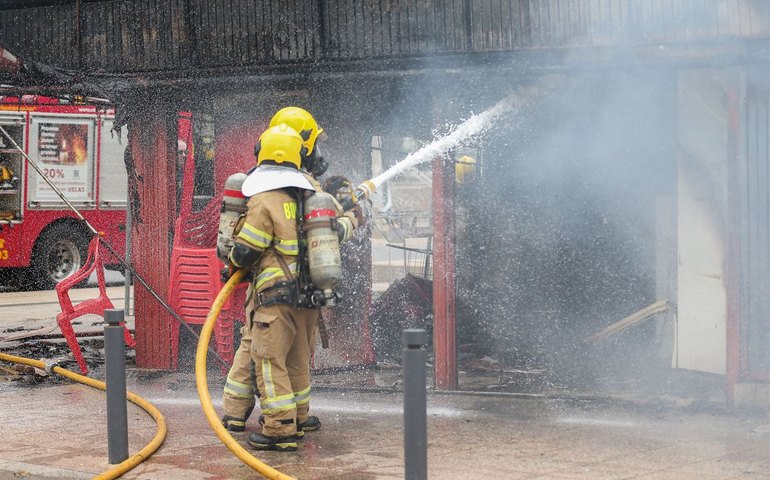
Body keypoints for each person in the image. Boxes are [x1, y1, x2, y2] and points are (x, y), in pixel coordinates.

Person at [220, 113, 364, 451]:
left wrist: (233, 263)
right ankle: (298, 417)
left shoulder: (264, 200)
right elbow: (333, 231)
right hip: (310, 295)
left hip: (272, 297)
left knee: (268, 361)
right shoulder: (313, 194)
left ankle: (279, 429)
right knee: (298, 359)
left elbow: (244, 253)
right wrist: (352, 217)